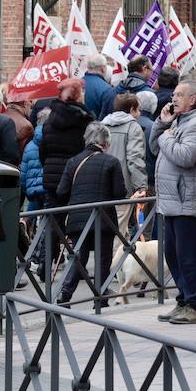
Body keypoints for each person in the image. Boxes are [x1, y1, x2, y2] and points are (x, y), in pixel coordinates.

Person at [151, 81, 196, 324]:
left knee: (188, 256)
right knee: (173, 254)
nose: (174, 98)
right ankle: (183, 300)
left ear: (193, 100)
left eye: (180, 95)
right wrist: (161, 124)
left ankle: (194, 306)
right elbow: (154, 148)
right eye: (174, 94)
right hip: (172, 200)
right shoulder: (180, 121)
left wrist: (166, 138)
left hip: (187, 199)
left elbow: (185, 157)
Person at [55, 123, 128, 306]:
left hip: (77, 219)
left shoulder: (73, 161)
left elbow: (61, 192)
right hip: (104, 220)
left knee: (78, 256)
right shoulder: (111, 162)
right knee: (103, 258)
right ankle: (100, 298)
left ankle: (65, 291)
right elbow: (120, 192)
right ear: (106, 142)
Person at [39, 79, 94, 266]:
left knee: (53, 220)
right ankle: (76, 265)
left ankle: (45, 264)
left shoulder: (49, 121)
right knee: (79, 220)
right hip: (77, 174)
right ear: (79, 95)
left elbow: (43, 151)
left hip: (52, 175)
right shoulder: (84, 120)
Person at [100, 93, 148, 237]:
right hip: (123, 187)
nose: (139, 114)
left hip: (102, 185)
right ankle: (115, 260)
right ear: (132, 109)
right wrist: (141, 186)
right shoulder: (133, 127)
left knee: (112, 232)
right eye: (138, 110)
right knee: (118, 233)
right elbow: (135, 158)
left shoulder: (102, 125)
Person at [82, 54, 116, 119]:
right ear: (103, 68)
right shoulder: (107, 89)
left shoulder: (76, 84)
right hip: (97, 127)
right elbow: (108, 118)